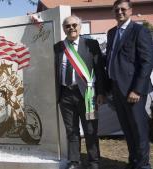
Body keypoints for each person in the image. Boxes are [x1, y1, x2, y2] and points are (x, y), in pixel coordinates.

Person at [106, 0, 153, 168]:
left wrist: (137, 90)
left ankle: (143, 165)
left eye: (123, 9)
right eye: (116, 9)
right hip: (117, 89)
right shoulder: (111, 32)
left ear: (130, 11)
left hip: (133, 91)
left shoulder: (140, 31)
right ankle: (134, 161)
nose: (119, 12)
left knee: (139, 130)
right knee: (127, 129)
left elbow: (147, 62)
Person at [54, 15, 106, 169]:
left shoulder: (91, 44)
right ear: (64, 28)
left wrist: (101, 93)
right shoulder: (58, 47)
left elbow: (99, 70)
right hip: (65, 95)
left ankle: (94, 161)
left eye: (74, 25)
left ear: (80, 27)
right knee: (71, 131)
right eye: (68, 26)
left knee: (90, 130)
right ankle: (74, 162)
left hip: (88, 95)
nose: (71, 28)